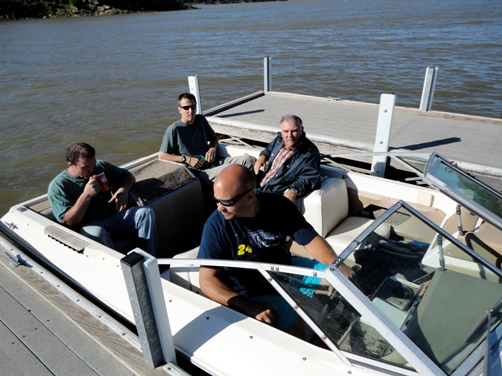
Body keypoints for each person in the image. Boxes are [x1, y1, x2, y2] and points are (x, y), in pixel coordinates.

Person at [197, 164, 356, 336]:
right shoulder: (215, 226)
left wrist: (338, 265)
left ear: (250, 196)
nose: (219, 207)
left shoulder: (279, 206)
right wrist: (249, 307)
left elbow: (311, 240)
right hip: (251, 291)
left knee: (342, 281)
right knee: (299, 332)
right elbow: (207, 280)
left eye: (226, 202)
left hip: (285, 269)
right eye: (217, 200)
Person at [48, 143, 158, 256]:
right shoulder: (58, 186)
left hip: (113, 218)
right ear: (71, 165)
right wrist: (86, 195)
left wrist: (123, 190)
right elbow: (68, 222)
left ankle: (149, 259)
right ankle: (119, 265)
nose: (92, 170)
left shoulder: (101, 166)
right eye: (85, 167)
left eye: (93, 164)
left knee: (145, 212)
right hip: (88, 226)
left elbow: (128, 177)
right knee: (98, 233)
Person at [159, 93, 256, 186]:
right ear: (179, 109)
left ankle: (252, 191)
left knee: (249, 160)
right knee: (234, 169)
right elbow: (162, 155)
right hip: (199, 172)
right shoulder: (174, 129)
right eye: (186, 108)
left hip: (213, 163)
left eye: (193, 107)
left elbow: (214, 137)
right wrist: (187, 159)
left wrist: (212, 148)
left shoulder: (201, 120)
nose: (190, 110)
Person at [254, 115, 321, 202]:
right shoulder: (279, 139)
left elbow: (310, 178)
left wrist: (293, 191)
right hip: (258, 184)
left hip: (272, 192)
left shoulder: (310, 152)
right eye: (286, 131)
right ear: (281, 131)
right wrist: (262, 157)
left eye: (294, 131)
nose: (289, 135)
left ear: (302, 129)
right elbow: (268, 149)